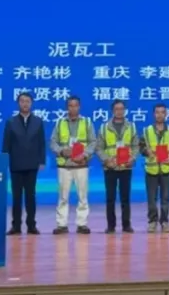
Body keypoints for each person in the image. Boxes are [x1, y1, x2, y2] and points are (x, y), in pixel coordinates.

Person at [49, 96, 95, 235]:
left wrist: (84, 155)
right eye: (70, 105)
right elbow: (52, 142)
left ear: (79, 107)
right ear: (67, 107)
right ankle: (61, 224)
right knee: (63, 197)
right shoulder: (60, 123)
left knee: (82, 196)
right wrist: (61, 151)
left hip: (81, 165)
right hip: (65, 166)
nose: (73, 108)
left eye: (75, 105)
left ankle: (82, 224)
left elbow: (93, 142)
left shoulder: (87, 122)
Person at [2, 92, 46, 235]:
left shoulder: (38, 121)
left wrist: (42, 161)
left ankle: (31, 225)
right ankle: (16, 226)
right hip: (16, 165)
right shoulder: (11, 122)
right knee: (16, 197)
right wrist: (4, 161)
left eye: (27, 101)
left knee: (30, 196)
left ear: (31, 103)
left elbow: (41, 143)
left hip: (32, 164)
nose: (25, 104)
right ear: (18, 103)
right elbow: (6, 145)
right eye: (22, 101)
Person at [95, 99, 139, 233]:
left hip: (126, 167)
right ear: (112, 111)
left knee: (125, 198)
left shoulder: (131, 127)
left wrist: (132, 158)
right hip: (110, 167)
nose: (119, 111)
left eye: (121, 109)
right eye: (117, 109)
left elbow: (136, 146)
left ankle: (126, 225)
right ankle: (111, 226)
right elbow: (99, 148)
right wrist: (106, 160)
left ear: (125, 110)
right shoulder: (104, 128)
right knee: (110, 198)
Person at [140, 103, 169, 233]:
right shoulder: (147, 131)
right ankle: (152, 221)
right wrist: (146, 151)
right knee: (152, 199)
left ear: (166, 114)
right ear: (153, 114)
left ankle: (165, 221)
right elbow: (141, 147)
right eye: (157, 112)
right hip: (152, 169)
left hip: (166, 168)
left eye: (162, 112)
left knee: (165, 198)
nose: (159, 115)